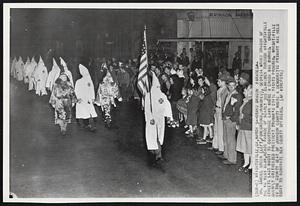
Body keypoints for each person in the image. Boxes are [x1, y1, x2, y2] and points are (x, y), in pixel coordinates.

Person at [144, 71, 173, 168]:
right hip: (151, 120)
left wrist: (169, 117)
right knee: (152, 137)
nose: (157, 88)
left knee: (159, 136)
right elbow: (147, 108)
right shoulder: (148, 96)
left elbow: (167, 105)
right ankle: (155, 154)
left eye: (158, 87)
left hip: (160, 119)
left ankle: (158, 155)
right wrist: (149, 118)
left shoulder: (162, 95)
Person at [219, 76, 243, 165]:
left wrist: (232, 119)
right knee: (225, 138)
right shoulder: (229, 94)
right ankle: (226, 155)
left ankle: (232, 159)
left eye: (233, 85)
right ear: (228, 86)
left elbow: (237, 110)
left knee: (231, 140)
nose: (232, 87)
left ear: (236, 85)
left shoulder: (237, 95)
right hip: (225, 118)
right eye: (230, 85)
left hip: (230, 120)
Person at [75, 64, 98, 132]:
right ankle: (84, 124)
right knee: (83, 112)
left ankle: (91, 125)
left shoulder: (89, 81)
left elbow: (92, 89)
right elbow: (76, 90)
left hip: (89, 99)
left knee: (91, 112)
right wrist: (78, 98)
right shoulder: (78, 81)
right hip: (82, 99)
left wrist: (93, 98)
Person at [211, 74, 229, 154]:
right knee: (216, 128)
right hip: (217, 109)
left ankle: (221, 148)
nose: (217, 82)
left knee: (220, 130)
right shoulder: (219, 90)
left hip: (221, 110)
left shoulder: (226, 90)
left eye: (219, 81)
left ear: (223, 82)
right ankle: (215, 145)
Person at [236, 84, 253, 173]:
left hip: (249, 128)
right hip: (243, 127)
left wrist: (245, 117)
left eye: (245, 90)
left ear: (251, 91)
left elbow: (254, 117)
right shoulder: (245, 101)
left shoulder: (253, 102)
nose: (243, 92)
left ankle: (251, 165)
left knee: (249, 147)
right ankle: (246, 163)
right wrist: (238, 123)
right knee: (244, 147)